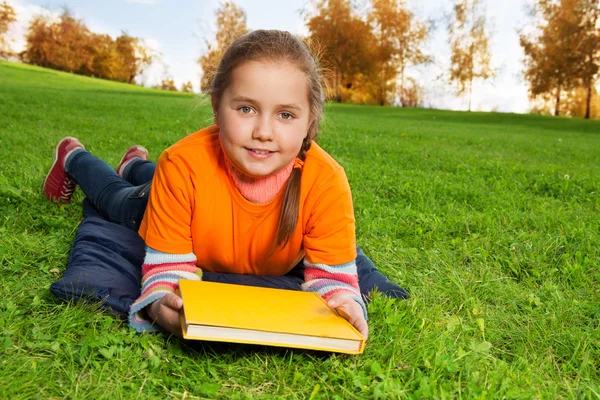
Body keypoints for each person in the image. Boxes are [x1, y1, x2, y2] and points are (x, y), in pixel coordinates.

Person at [44, 30, 408, 339]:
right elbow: (166, 276)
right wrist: (162, 303)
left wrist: (343, 303)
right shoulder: (182, 164)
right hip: (160, 196)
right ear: (217, 105)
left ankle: (137, 163)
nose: (263, 132)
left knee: (151, 175)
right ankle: (76, 157)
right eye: (246, 108)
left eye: (285, 115)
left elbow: (335, 281)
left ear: (310, 120)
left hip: (190, 182)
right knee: (118, 200)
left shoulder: (326, 181)